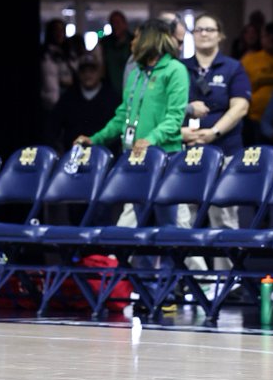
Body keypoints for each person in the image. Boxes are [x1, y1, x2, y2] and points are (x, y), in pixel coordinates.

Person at [75, 18, 190, 225]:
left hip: (165, 157)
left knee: (168, 228)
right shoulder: (136, 73)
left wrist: (150, 139)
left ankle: (169, 259)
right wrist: (95, 139)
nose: (131, 42)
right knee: (140, 228)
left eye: (136, 37)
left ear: (149, 39)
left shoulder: (175, 70)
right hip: (135, 158)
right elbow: (122, 116)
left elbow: (175, 118)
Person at [182, 13, 250, 266]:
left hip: (225, 150)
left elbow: (240, 107)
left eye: (210, 29)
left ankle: (226, 280)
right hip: (187, 151)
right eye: (199, 29)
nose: (204, 34)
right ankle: (193, 278)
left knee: (224, 216)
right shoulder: (181, 68)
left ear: (220, 34)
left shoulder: (233, 67)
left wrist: (213, 133)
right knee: (185, 216)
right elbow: (171, 106)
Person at [47, 54, 119, 154]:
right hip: (73, 155)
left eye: (92, 71)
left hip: (104, 157)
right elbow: (53, 127)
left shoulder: (111, 97)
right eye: (84, 71)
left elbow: (117, 129)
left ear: (100, 72)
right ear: (78, 73)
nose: (87, 75)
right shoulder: (69, 97)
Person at [41, 18, 76, 111]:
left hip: (69, 101)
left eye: (61, 30)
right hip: (49, 102)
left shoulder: (69, 53)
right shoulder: (44, 54)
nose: (59, 33)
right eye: (56, 30)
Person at [98, 10, 132, 98]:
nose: (115, 26)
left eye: (117, 22)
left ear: (125, 24)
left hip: (131, 89)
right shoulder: (105, 43)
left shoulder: (134, 42)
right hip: (109, 91)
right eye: (112, 23)